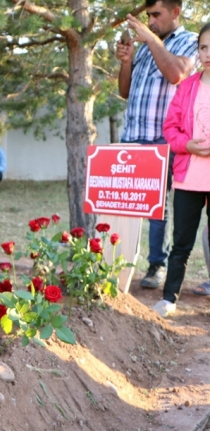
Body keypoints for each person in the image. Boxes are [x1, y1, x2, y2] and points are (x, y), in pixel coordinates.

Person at [116, 0, 198, 289]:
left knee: (158, 206)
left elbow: (177, 73)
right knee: (124, 205)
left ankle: (156, 266)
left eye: (156, 15)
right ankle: (118, 265)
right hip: (133, 137)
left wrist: (150, 39)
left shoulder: (190, 42)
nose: (150, 21)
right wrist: (126, 62)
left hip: (165, 138)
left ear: (176, 12)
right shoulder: (144, 47)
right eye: (148, 15)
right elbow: (124, 91)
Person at [152, 23, 210, 317]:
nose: (208, 53)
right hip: (188, 178)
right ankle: (169, 298)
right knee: (182, 243)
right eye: (203, 47)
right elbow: (170, 128)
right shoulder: (187, 87)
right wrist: (188, 145)